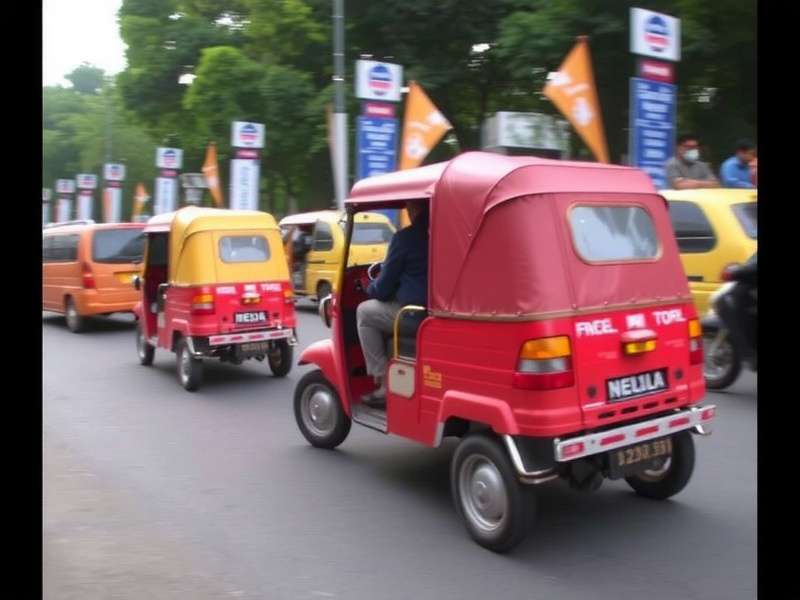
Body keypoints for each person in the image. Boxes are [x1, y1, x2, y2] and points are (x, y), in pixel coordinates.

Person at [357, 200, 429, 408]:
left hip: (414, 315)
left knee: (364, 312)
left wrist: (369, 287)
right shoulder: (448, 236)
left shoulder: (405, 238)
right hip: (438, 313)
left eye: (409, 206)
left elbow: (383, 287)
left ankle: (382, 382)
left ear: (415, 209)